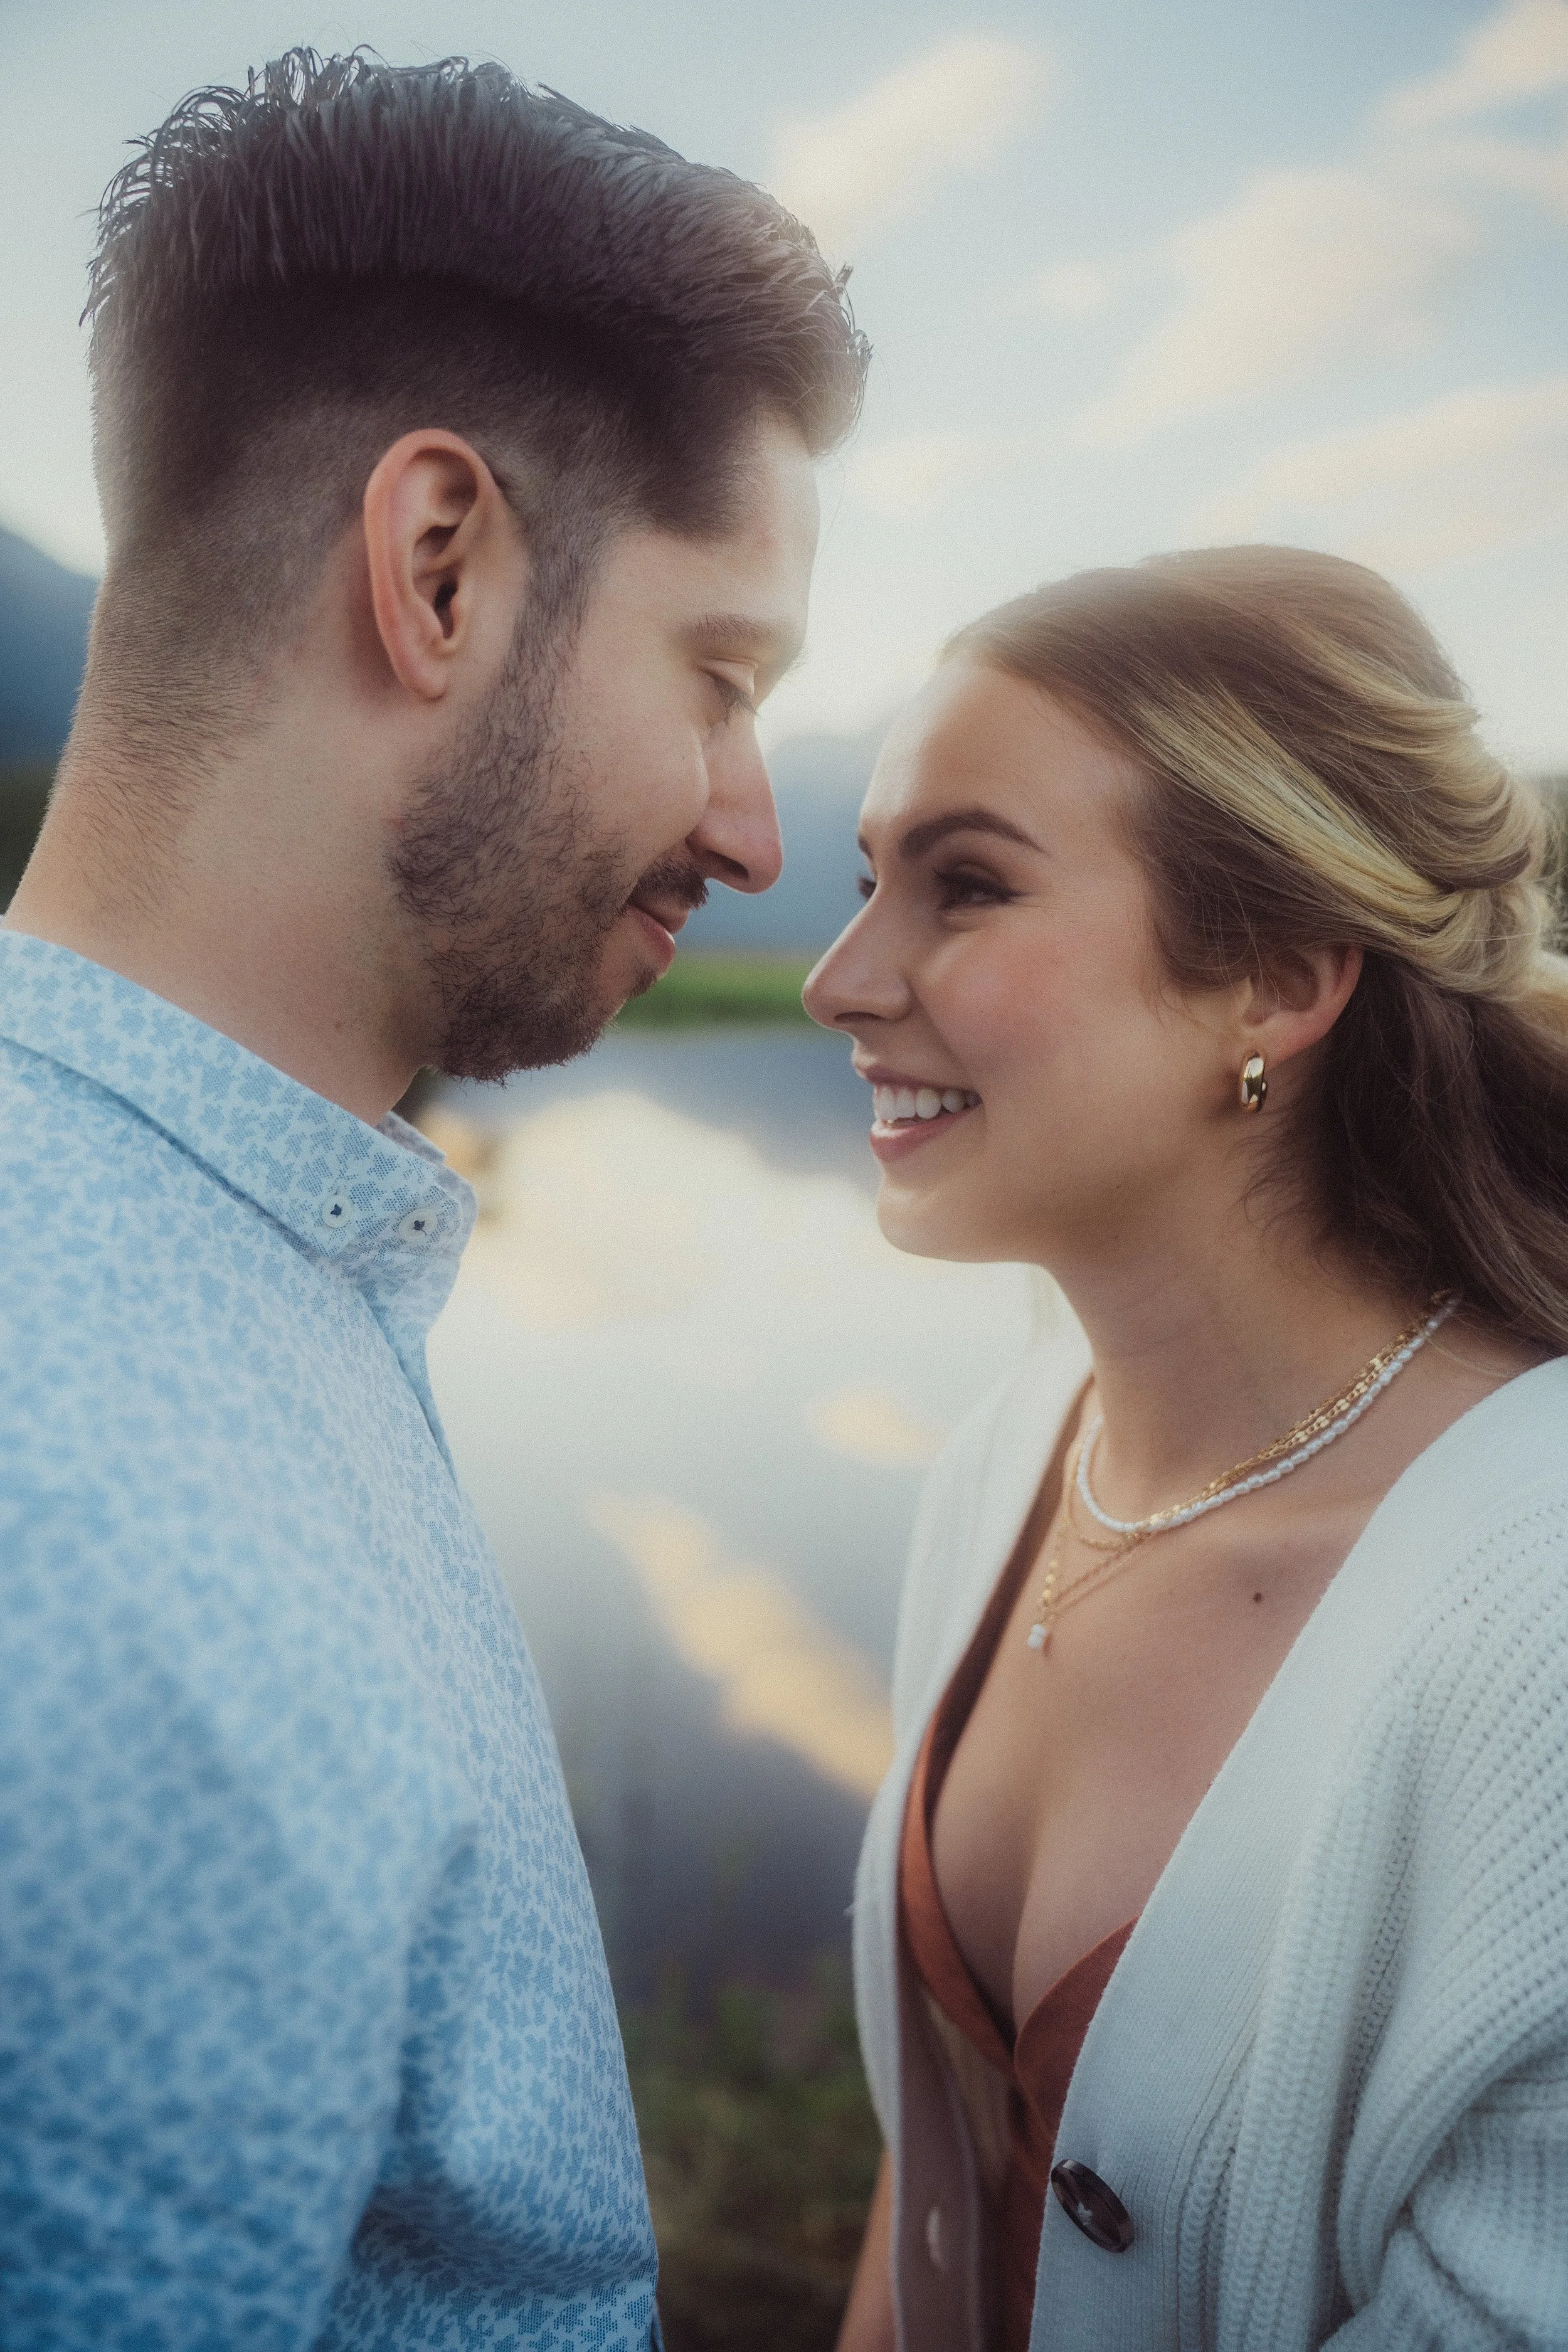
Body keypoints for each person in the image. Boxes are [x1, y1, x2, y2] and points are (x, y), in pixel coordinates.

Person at [0, 48, 866, 2350]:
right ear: (439, 567)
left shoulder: (201, 1261)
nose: (754, 827)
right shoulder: (112, 1538)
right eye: (722, 671)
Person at [806, 545, 1568, 2351]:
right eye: (867, 880)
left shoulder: (1539, 1622)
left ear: (1277, 981)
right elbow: (939, 2168)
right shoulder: (1017, 1457)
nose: (840, 980)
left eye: (965, 884)